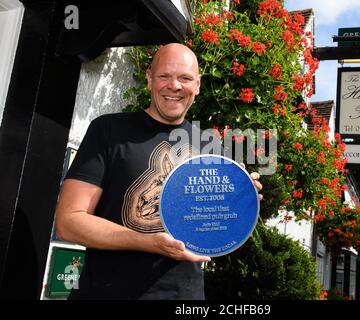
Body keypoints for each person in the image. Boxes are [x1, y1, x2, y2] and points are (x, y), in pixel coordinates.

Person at [55, 43, 263, 300]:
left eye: (185, 78)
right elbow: (69, 222)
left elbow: (213, 223)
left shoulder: (210, 146)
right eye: (164, 76)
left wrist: (241, 197)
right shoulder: (108, 131)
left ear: (197, 85)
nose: (174, 86)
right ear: (149, 79)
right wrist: (149, 242)